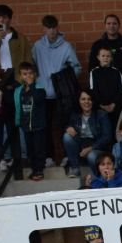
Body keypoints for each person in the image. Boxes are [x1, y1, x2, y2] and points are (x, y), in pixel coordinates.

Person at [33, 15, 83, 164]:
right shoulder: (37, 46)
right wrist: (38, 80)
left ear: (58, 28)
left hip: (62, 94)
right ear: (44, 29)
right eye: (49, 28)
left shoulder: (66, 46)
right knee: (45, 125)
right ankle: (48, 157)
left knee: (64, 124)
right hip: (43, 92)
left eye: (54, 27)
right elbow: (32, 66)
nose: (52, 31)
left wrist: (64, 78)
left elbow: (77, 67)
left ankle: (67, 156)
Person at [63, 90, 113, 183]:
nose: (86, 102)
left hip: (98, 147)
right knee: (67, 136)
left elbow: (107, 137)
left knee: (91, 155)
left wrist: (91, 148)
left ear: (93, 101)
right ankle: (75, 168)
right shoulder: (75, 114)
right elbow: (67, 125)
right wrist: (68, 127)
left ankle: (98, 180)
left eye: (89, 99)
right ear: (78, 101)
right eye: (83, 99)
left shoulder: (101, 114)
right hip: (81, 146)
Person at [88, 46, 122, 120]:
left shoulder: (117, 72)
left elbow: (121, 90)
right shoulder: (94, 72)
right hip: (100, 108)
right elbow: (93, 90)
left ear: (111, 58)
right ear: (98, 57)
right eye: (103, 56)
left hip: (115, 107)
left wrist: (113, 104)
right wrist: (102, 105)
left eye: (108, 56)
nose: (105, 58)